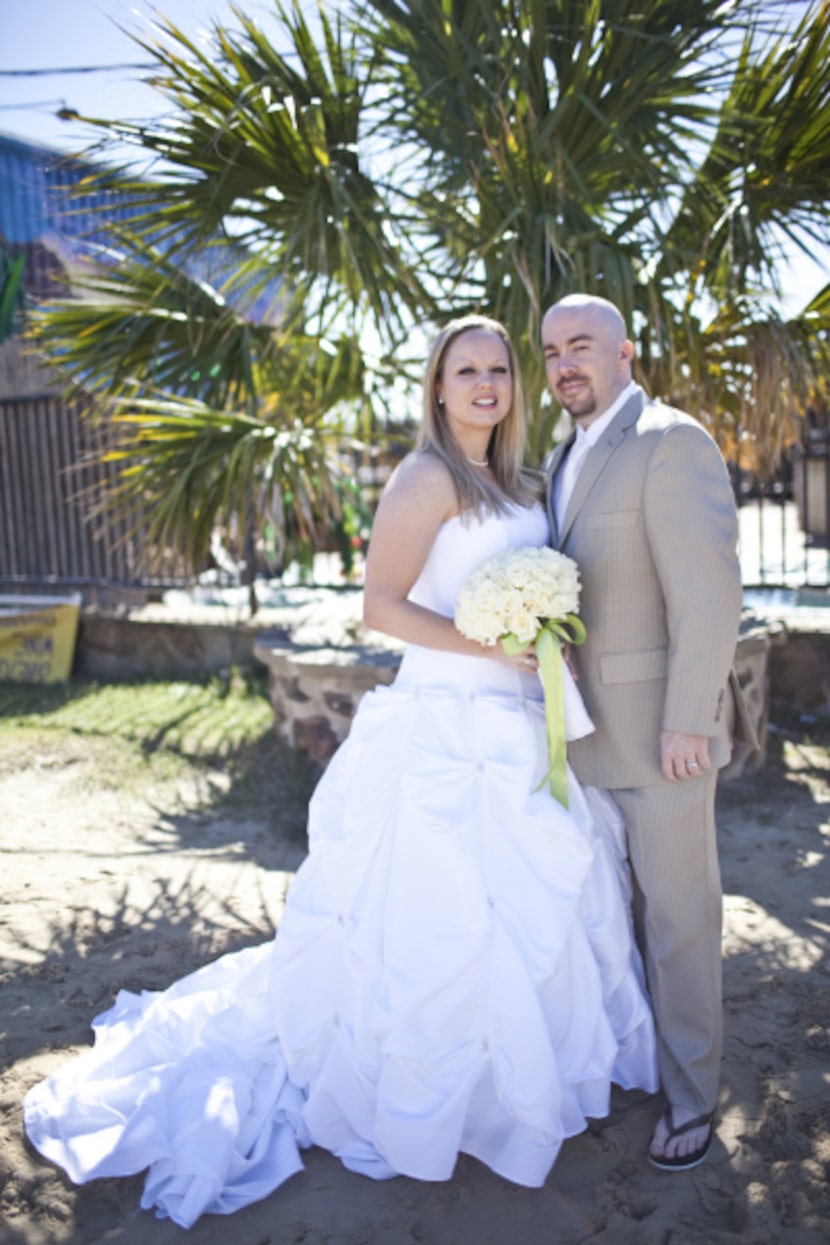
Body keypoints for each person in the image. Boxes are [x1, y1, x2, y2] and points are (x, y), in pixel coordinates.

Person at [23, 315, 658, 1229]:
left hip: (522, 725)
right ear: (437, 387)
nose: (485, 383)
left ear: (514, 386)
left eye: (498, 369)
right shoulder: (424, 476)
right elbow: (381, 608)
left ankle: (517, 1086)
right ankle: (433, 1096)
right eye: (464, 370)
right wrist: (488, 638)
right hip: (442, 729)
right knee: (441, 926)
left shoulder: (522, 480)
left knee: (542, 910)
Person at [540, 293, 749, 1172]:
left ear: (625, 351)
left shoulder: (672, 441)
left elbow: (710, 597)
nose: (563, 366)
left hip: (664, 739)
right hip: (583, 738)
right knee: (611, 920)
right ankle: (634, 1062)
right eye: (550, 352)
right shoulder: (560, 456)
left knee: (680, 918)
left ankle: (694, 1093)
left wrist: (688, 721)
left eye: (581, 345)